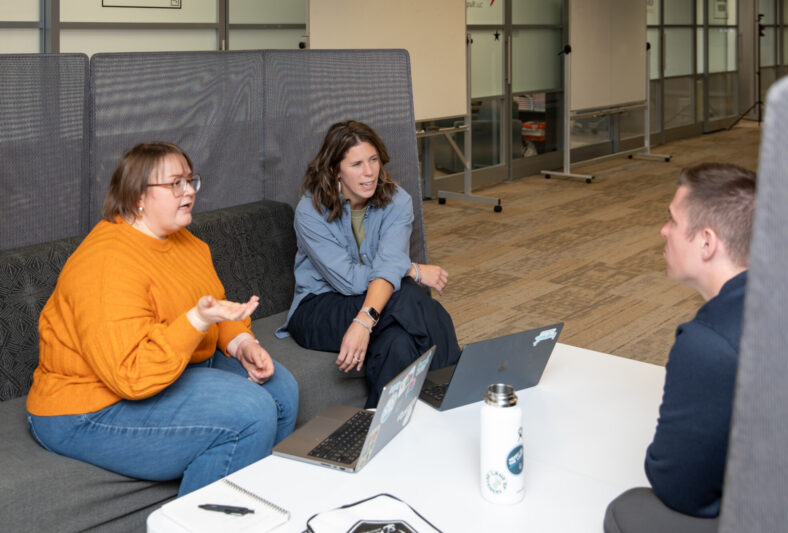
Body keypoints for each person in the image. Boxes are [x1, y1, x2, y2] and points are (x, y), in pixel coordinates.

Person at [26, 142, 298, 496]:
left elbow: (213, 304)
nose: (188, 192)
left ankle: (252, 506)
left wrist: (242, 342)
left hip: (165, 367)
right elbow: (131, 375)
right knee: (251, 411)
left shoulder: (185, 242)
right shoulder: (107, 265)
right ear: (138, 195)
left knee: (282, 391)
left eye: (190, 181)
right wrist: (196, 320)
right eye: (175, 184)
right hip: (88, 406)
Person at [604, 163, 756, 533]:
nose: (663, 230)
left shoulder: (708, 342)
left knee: (627, 511)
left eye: (672, 220)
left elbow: (680, 489)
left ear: (706, 241)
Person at [277, 120, 461, 407]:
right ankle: (455, 399)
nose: (369, 171)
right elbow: (348, 280)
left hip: (376, 302)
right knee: (408, 296)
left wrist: (365, 319)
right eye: (357, 164)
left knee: (397, 343)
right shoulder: (310, 211)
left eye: (373, 159)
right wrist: (410, 270)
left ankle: (372, 428)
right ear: (334, 169)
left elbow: (387, 266)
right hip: (319, 308)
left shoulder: (397, 201)